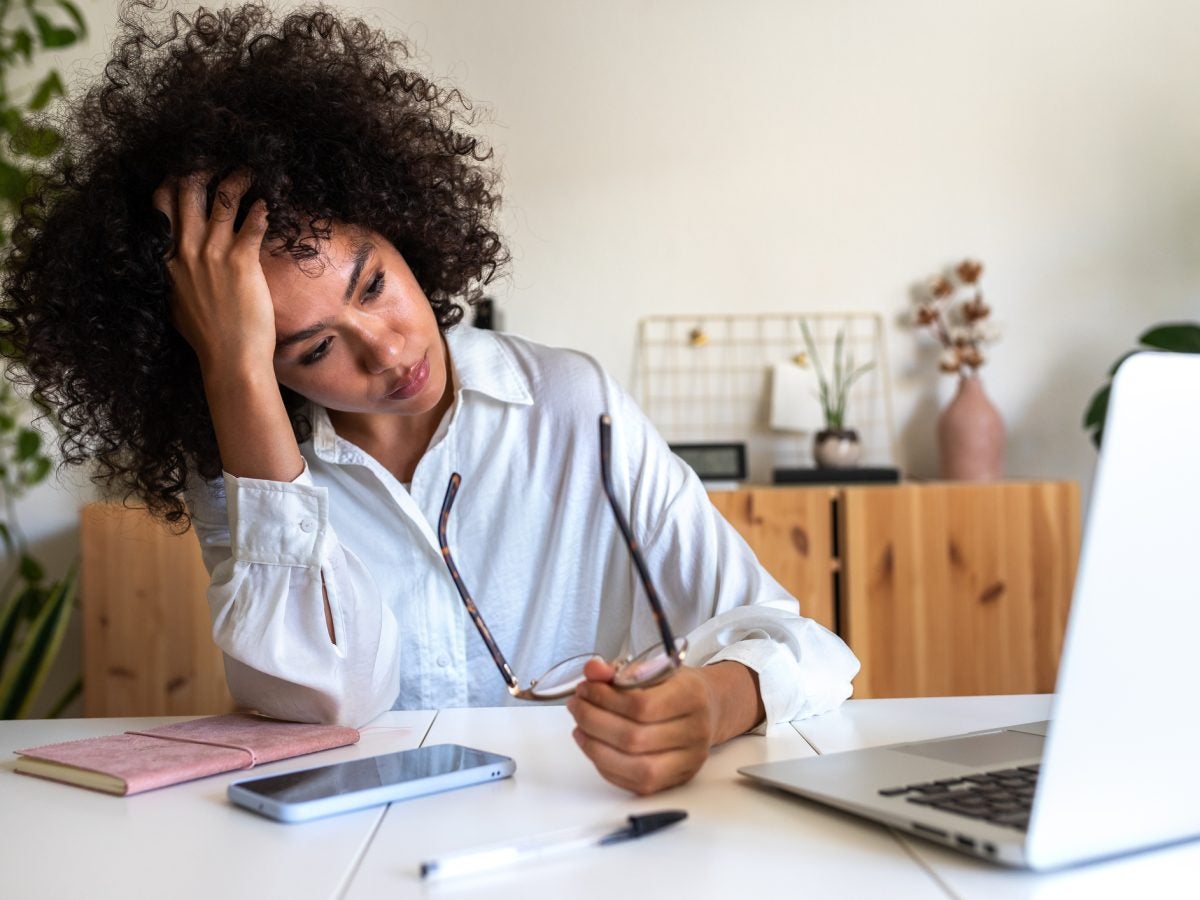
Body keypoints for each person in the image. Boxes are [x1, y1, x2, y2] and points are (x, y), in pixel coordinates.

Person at [1, 1, 858, 795]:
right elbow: (332, 702)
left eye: (373, 283)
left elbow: (800, 647)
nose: (389, 349)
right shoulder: (248, 460)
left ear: (401, 225)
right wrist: (234, 373)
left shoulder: (568, 405)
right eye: (313, 346)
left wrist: (710, 704)